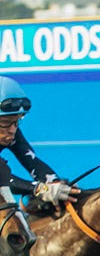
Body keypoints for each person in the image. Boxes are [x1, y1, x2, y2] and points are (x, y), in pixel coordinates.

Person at [0, 76, 77, 212]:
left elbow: (33, 163)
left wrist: (57, 186)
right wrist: (40, 189)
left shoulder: (11, 129)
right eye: (6, 122)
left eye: (17, 121)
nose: (13, 130)